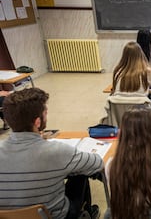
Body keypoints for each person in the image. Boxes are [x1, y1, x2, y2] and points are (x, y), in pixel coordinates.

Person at [0, 88, 103, 219]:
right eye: (45, 112)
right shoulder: (57, 151)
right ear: (37, 122)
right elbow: (98, 163)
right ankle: (87, 211)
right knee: (80, 172)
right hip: (54, 216)